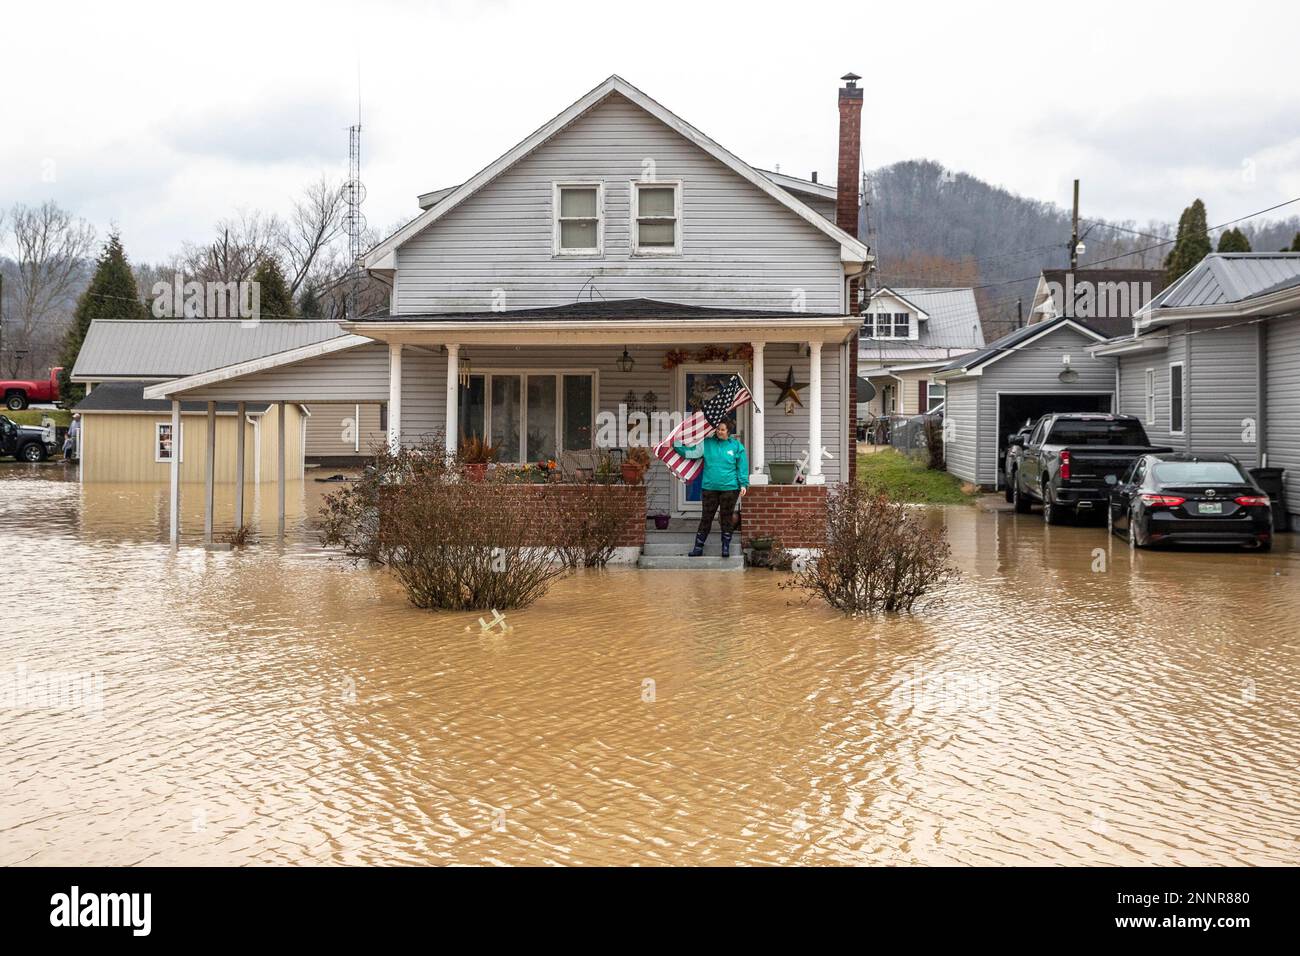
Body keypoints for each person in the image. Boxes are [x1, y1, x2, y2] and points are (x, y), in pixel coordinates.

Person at [674, 420, 748, 558]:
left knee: (726, 518)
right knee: (706, 518)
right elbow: (691, 453)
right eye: (718, 429)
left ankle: (725, 547)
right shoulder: (707, 443)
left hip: (730, 488)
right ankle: (698, 547)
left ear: (728, 432)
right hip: (709, 488)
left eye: (722, 429)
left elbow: (741, 467)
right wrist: (677, 444)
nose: (719, 431)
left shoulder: (737, 446)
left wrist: (743, 484)